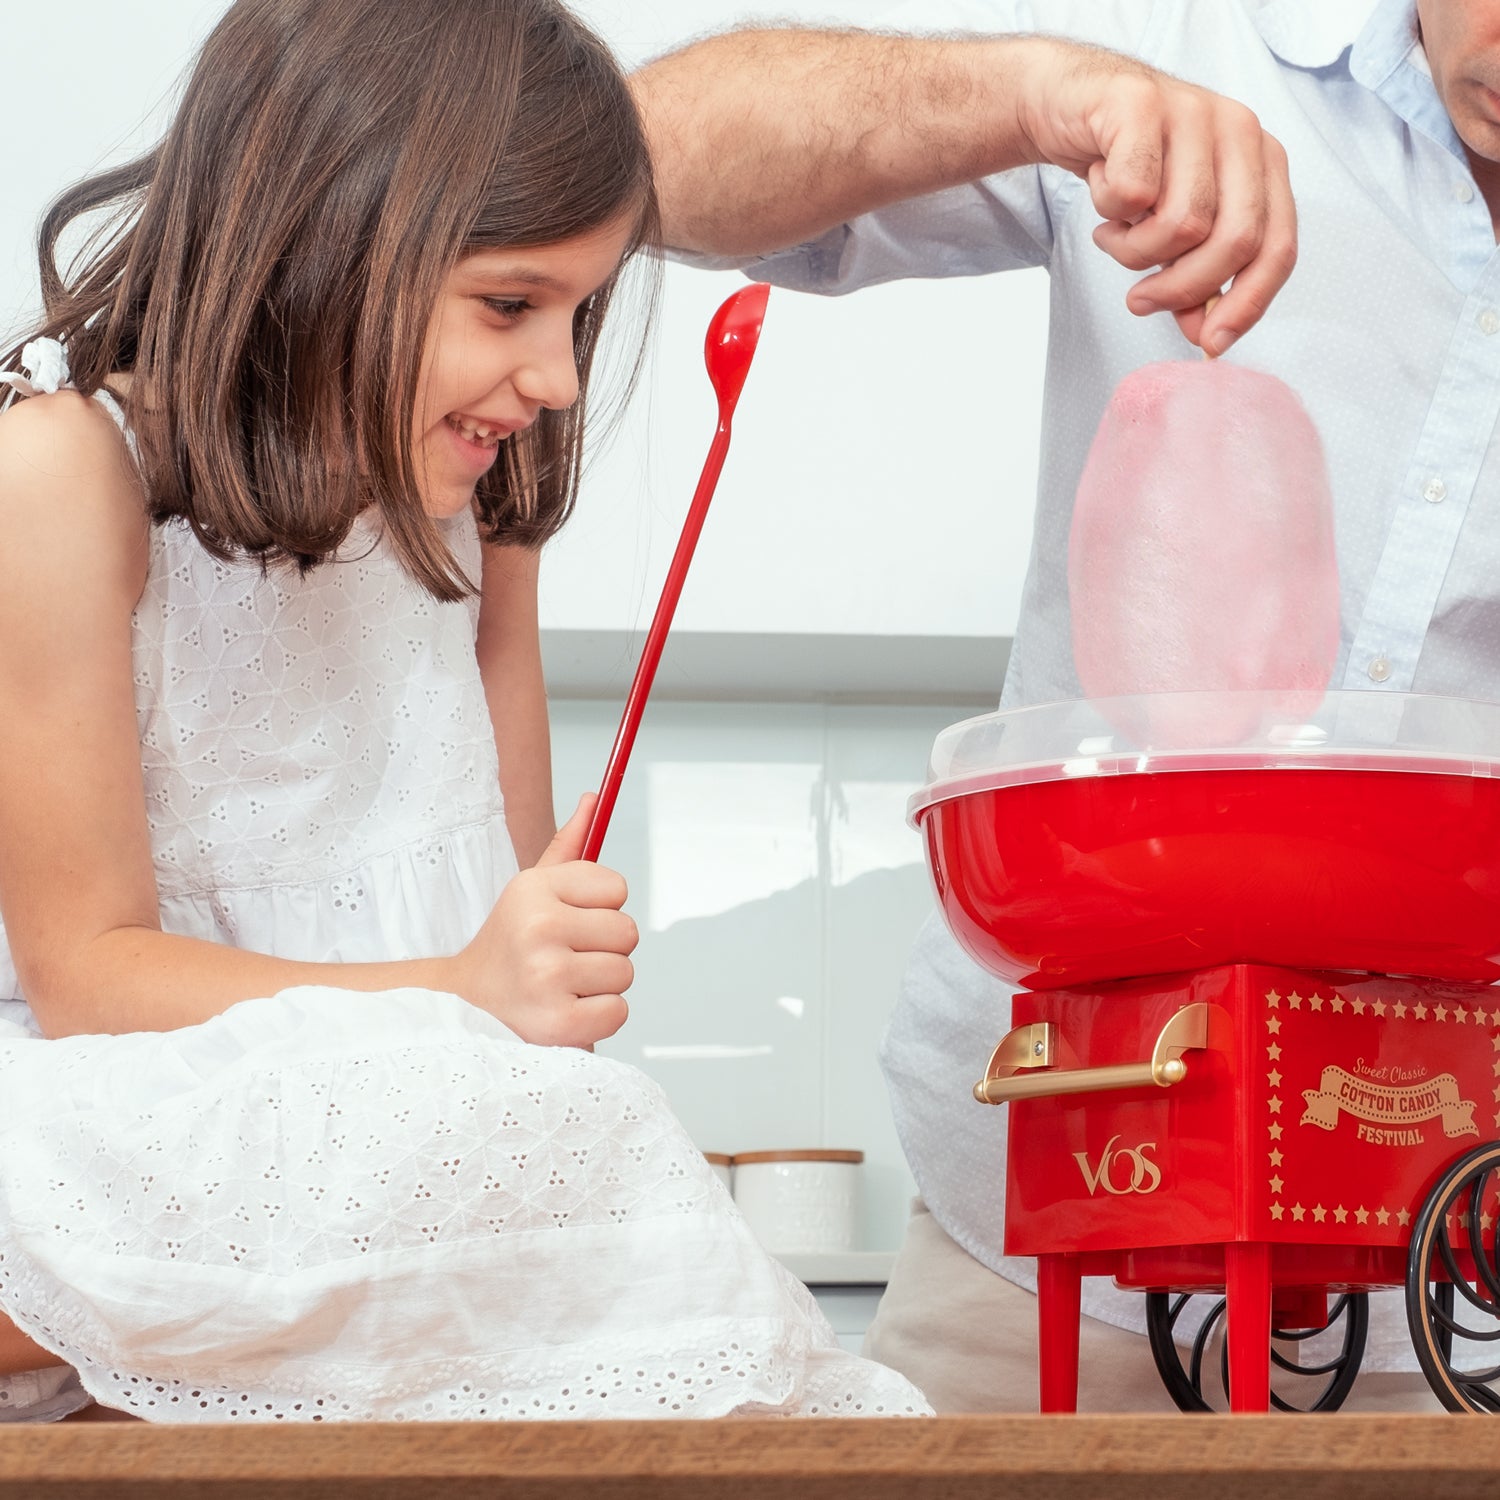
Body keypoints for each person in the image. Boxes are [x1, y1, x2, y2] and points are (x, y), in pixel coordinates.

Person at [0, 0, 930, 1424]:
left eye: (577, 312)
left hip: (393, 1132)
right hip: (133, 1108)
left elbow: (513, 977)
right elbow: (88, 982)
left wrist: (532, 984)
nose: (556, 379)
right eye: (510, 305)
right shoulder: (65, 478)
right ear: (326, 240)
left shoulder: (475, 509)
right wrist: (461, 995)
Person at [629, 0, 1500, 1412]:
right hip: (1045, 1233)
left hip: (1456, 1271)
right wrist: (1044, 94)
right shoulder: (1188, 43)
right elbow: (644, 161)